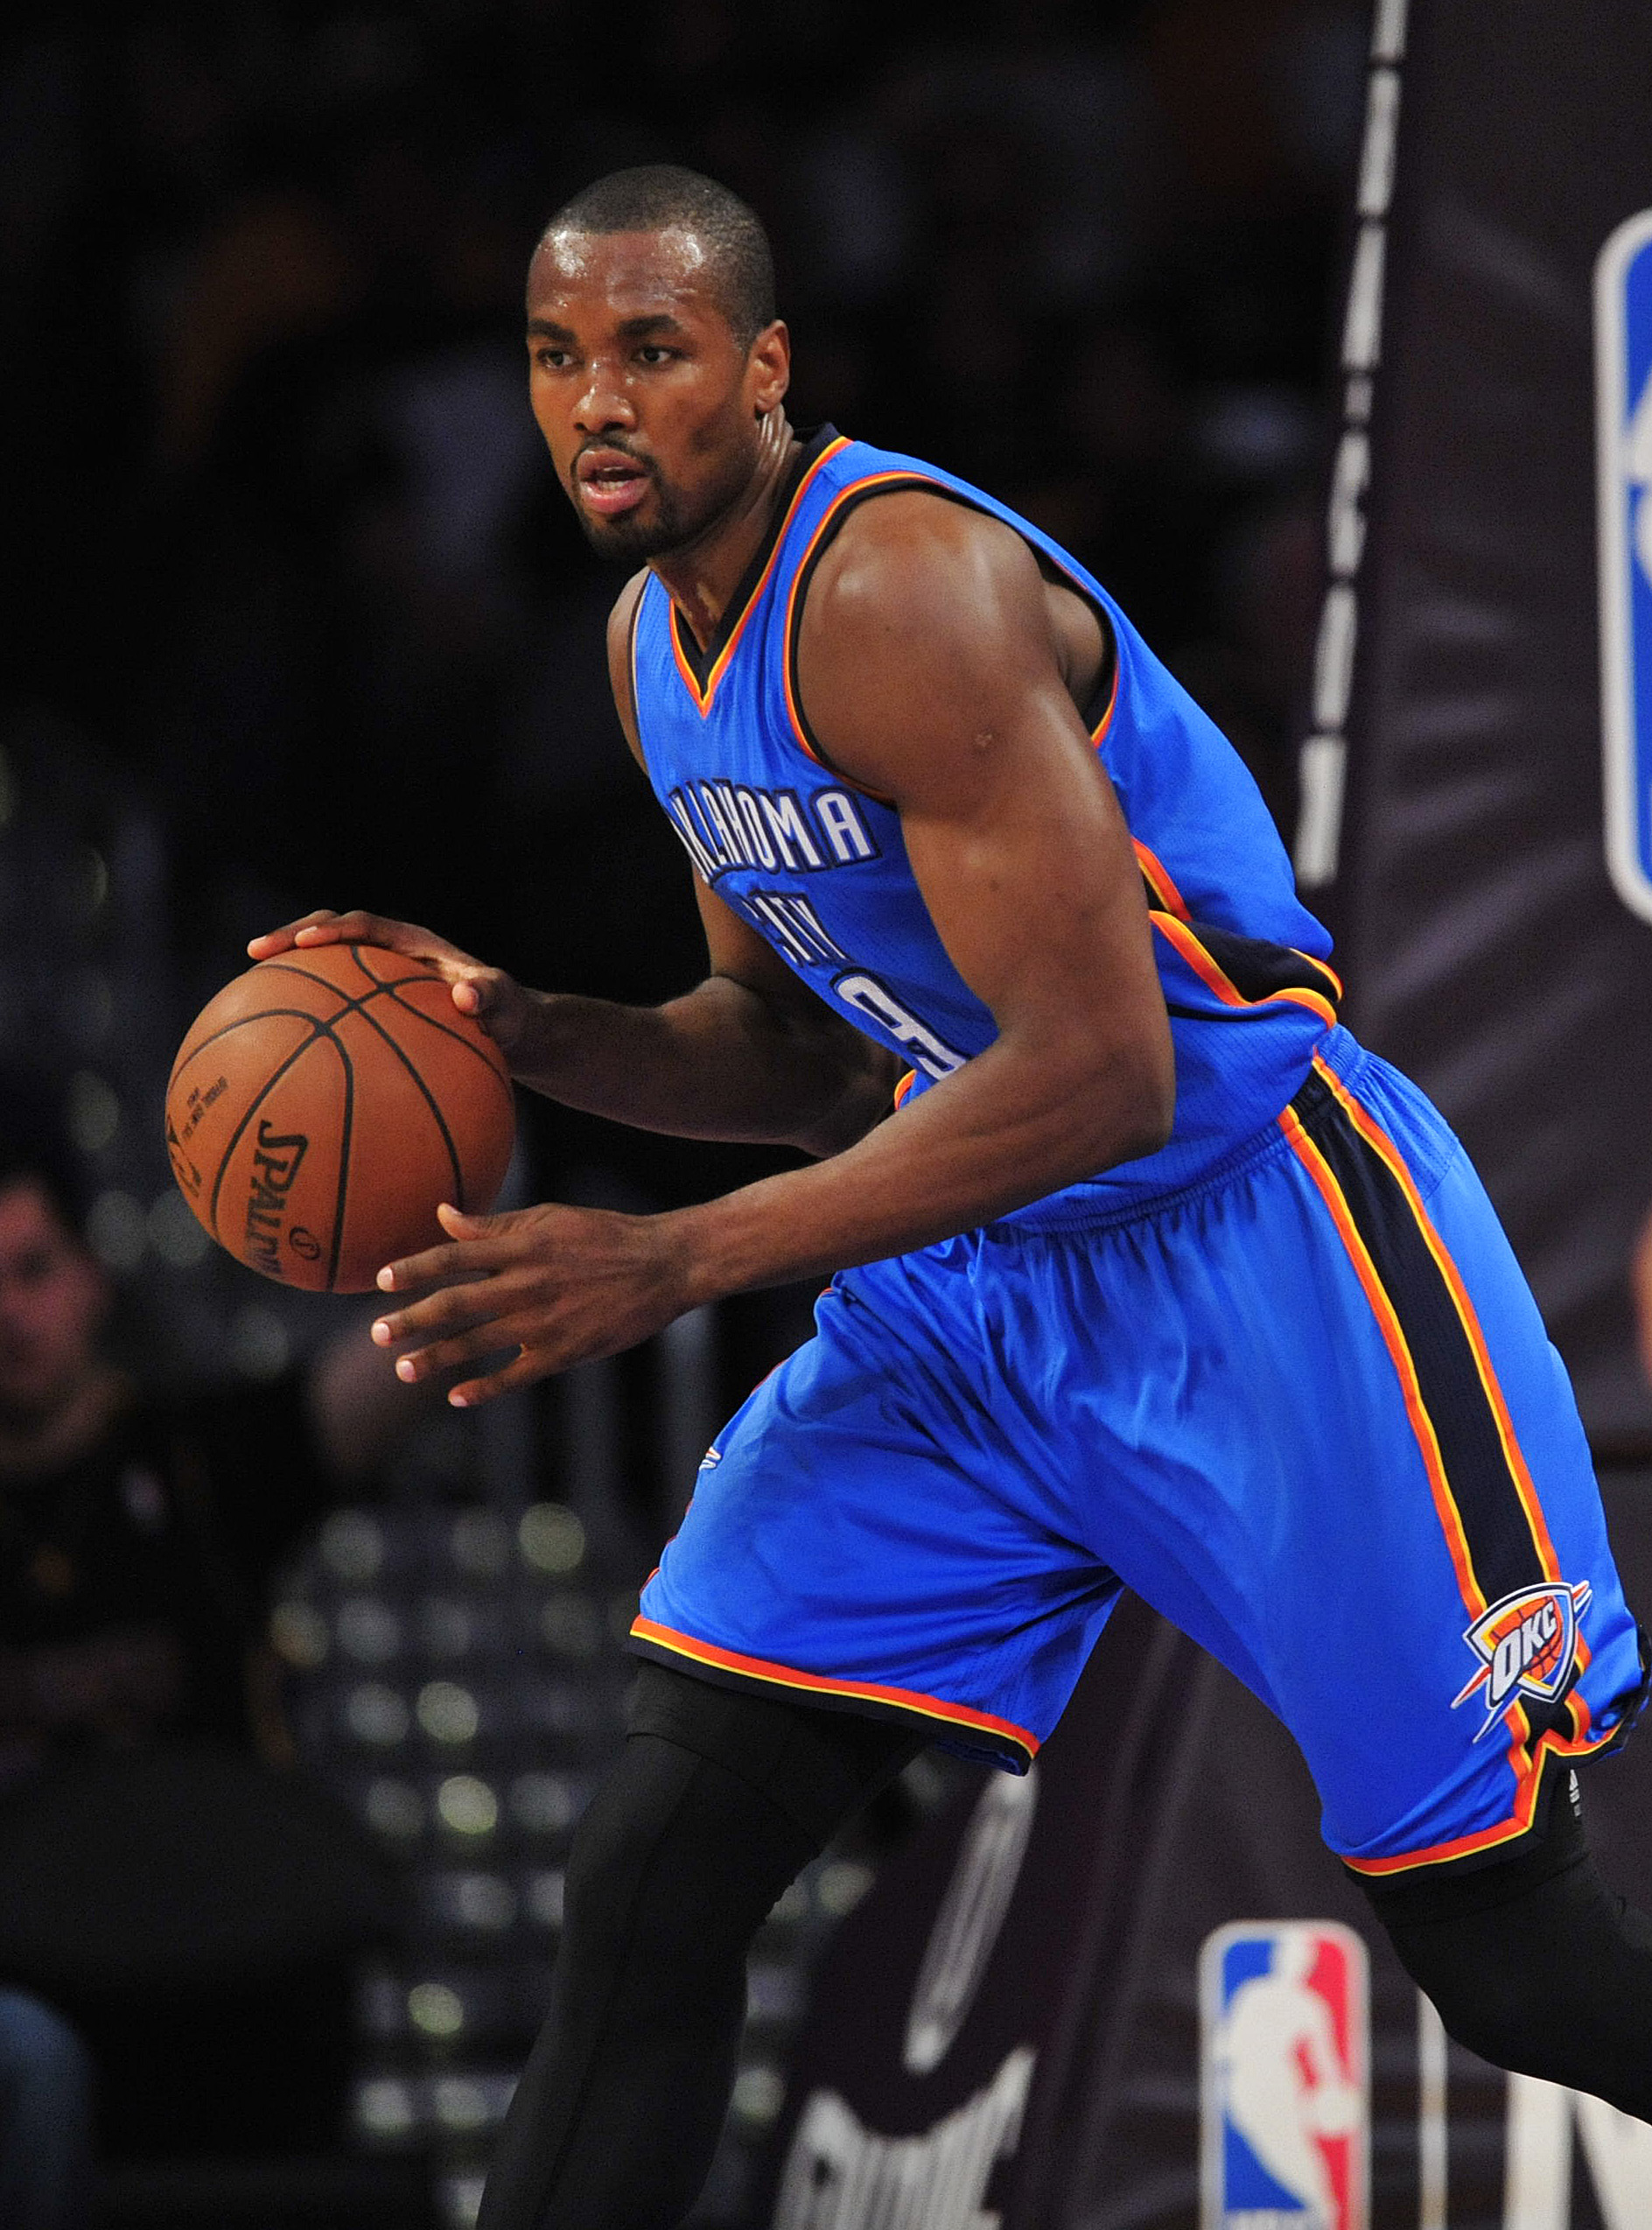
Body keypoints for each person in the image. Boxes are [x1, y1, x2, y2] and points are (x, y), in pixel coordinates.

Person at [251, 166, 1652, 2229]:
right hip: (979, 1280)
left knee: (1508, 1958)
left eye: (650, 348)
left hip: (1261, 1257)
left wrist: (670, 1257)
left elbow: (1103, 1068)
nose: (597, 405)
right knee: (653, 1867)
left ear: (764, 366)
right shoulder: (661, 651)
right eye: (556, 358)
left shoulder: (896, 594)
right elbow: (798, 1053)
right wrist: (524, 1031)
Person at [0, 1129, 433, 2195]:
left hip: (239, 1973)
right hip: (35, 1971)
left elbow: (383, 1373)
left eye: (31, 1268)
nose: (7, 1312)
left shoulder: (197, 1456)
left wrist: (468, 1246)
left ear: (93, 1279)